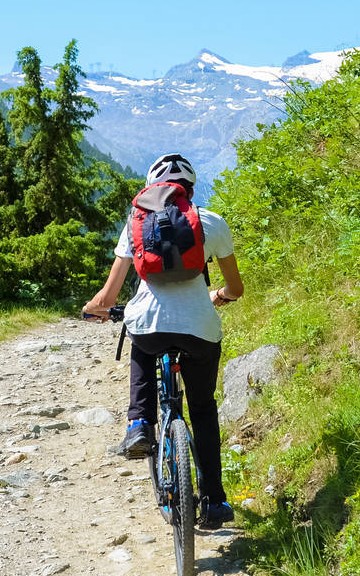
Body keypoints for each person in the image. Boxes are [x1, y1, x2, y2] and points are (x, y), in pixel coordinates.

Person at [82, 152, 244, 529]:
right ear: (189, 189)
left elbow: (108, 298)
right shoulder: (212, 223)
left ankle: (139, 424)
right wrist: (217, 296)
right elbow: (235, 288)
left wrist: (93, 308)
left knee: (141, 343)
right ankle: (214, 501)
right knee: (202, 409)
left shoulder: (136, 222)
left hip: (149, 326)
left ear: (153, 188)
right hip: (200, 329)